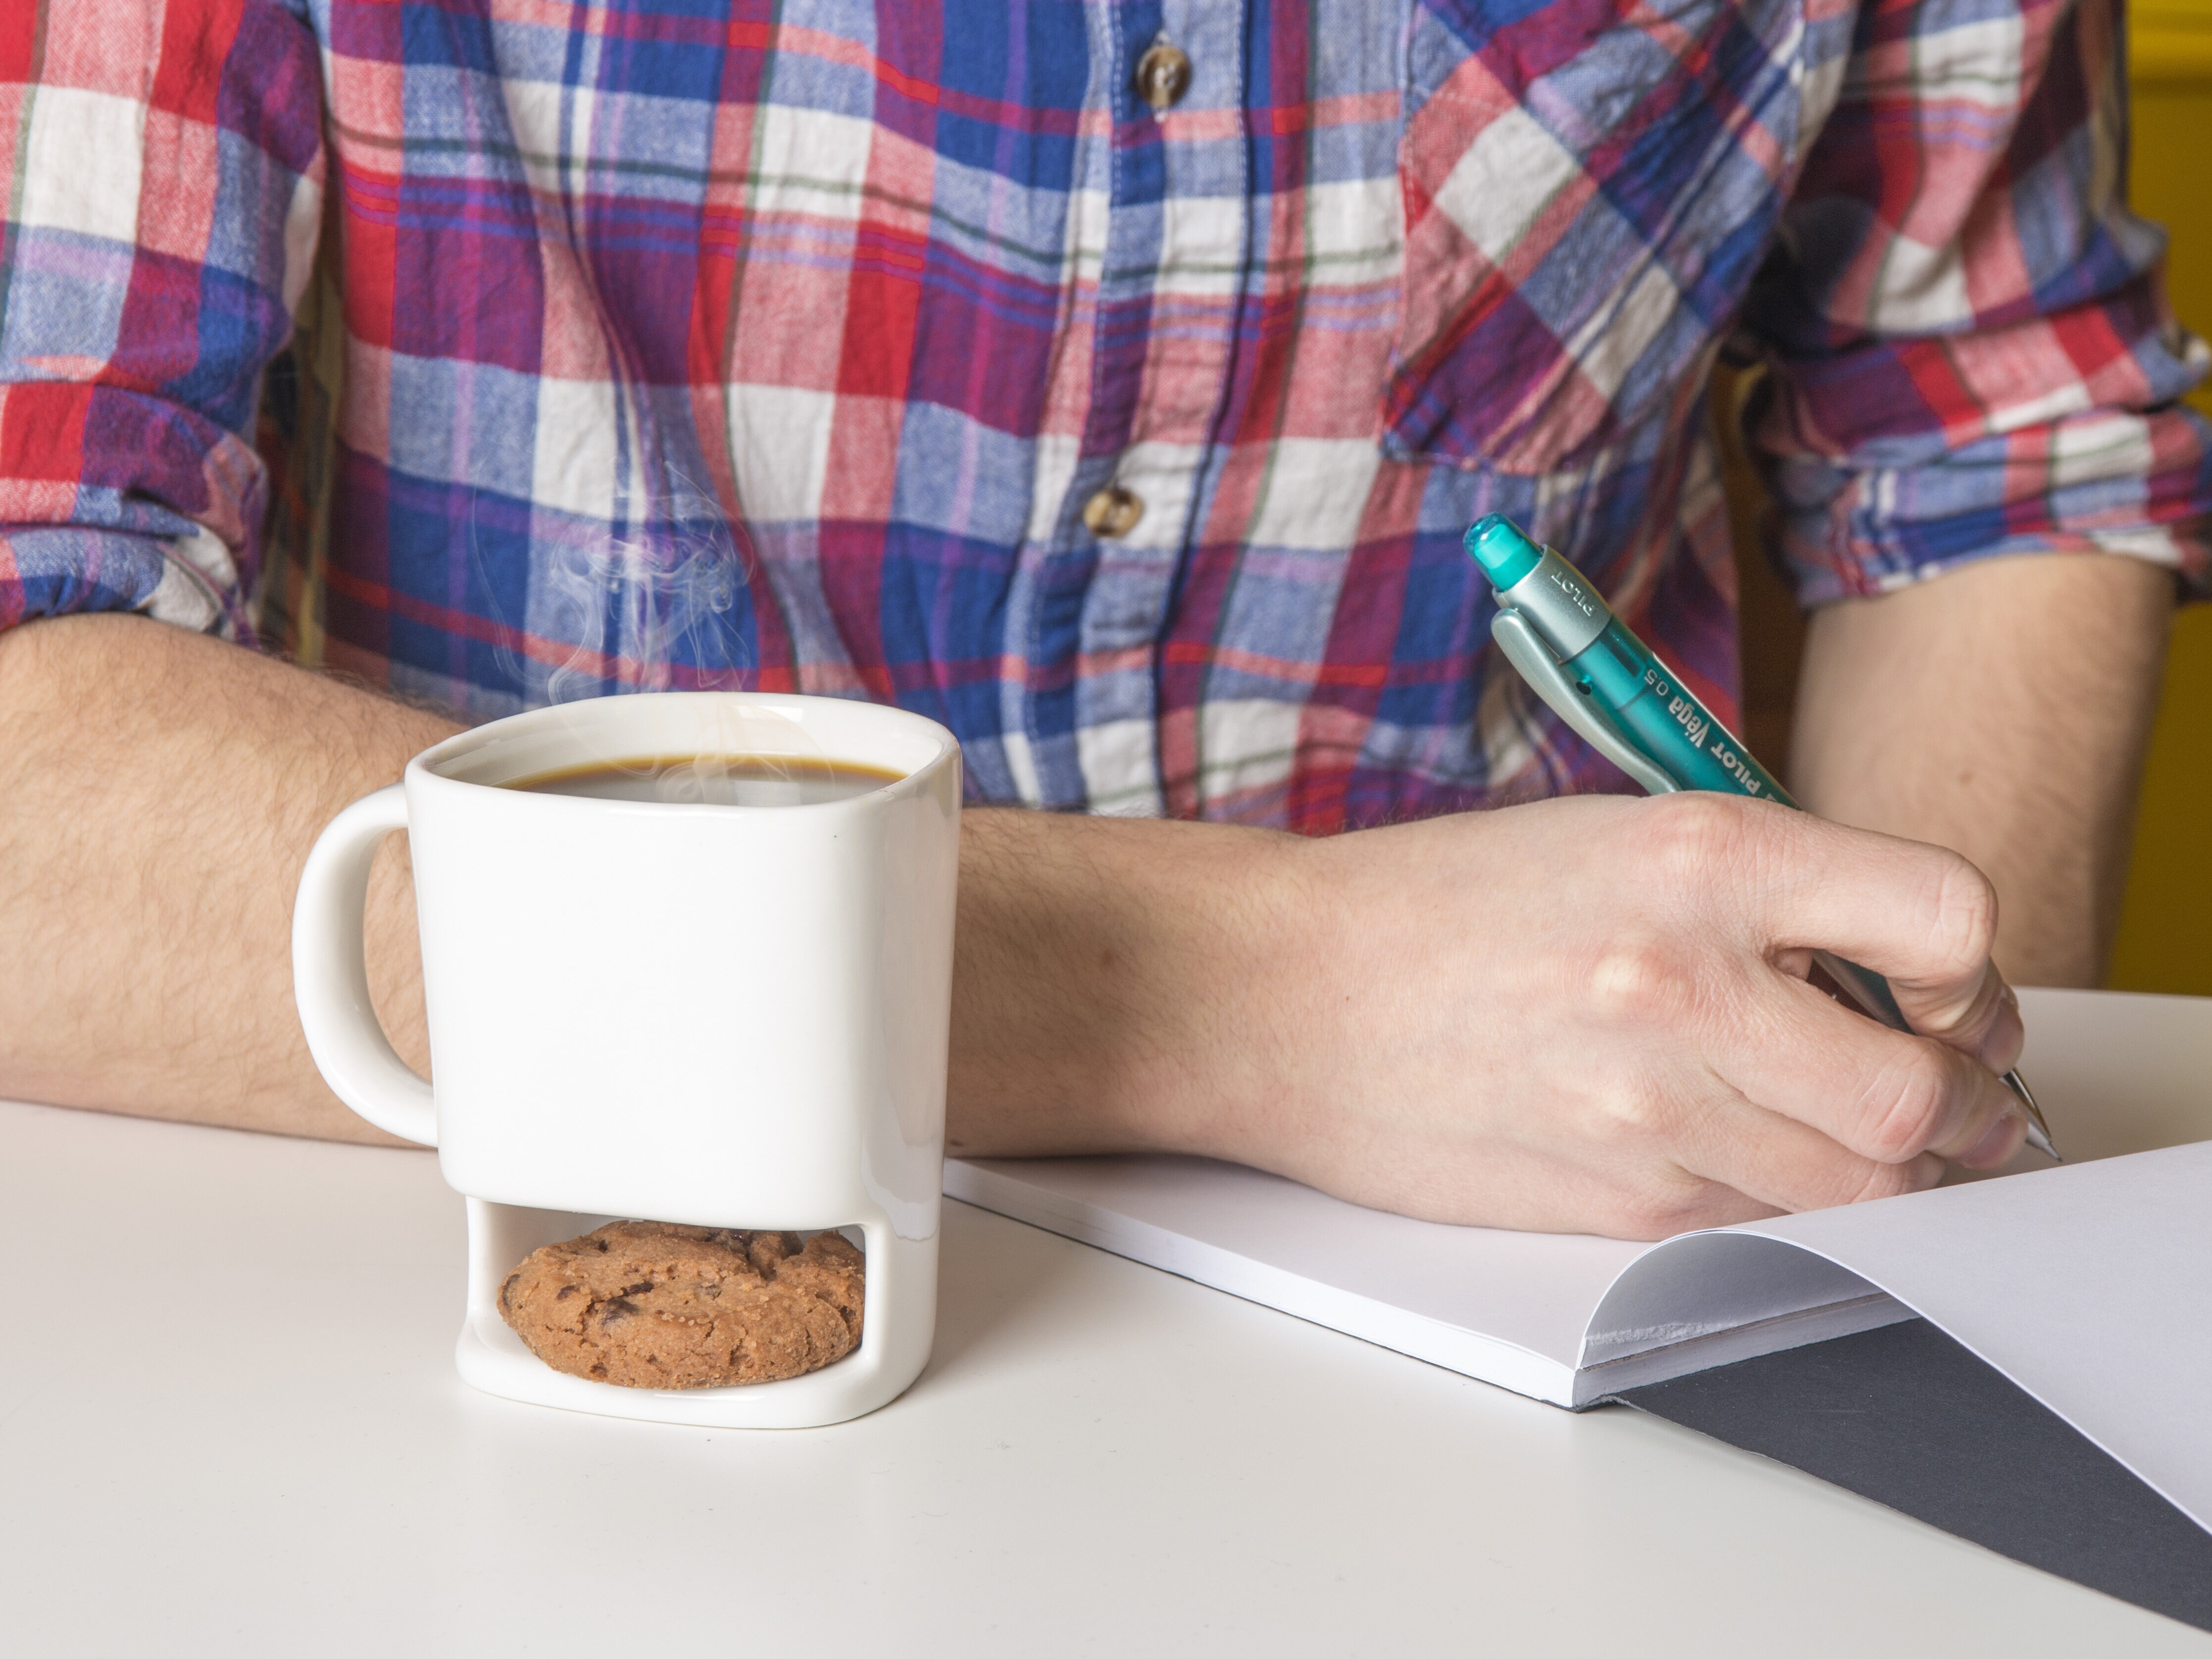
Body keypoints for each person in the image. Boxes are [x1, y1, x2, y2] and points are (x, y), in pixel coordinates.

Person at [0, 0, 2202, 1240]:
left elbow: (1991, 447)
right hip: (540, 1234)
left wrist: (1908, 1185)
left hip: (1580, 1250)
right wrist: (1265, 992)